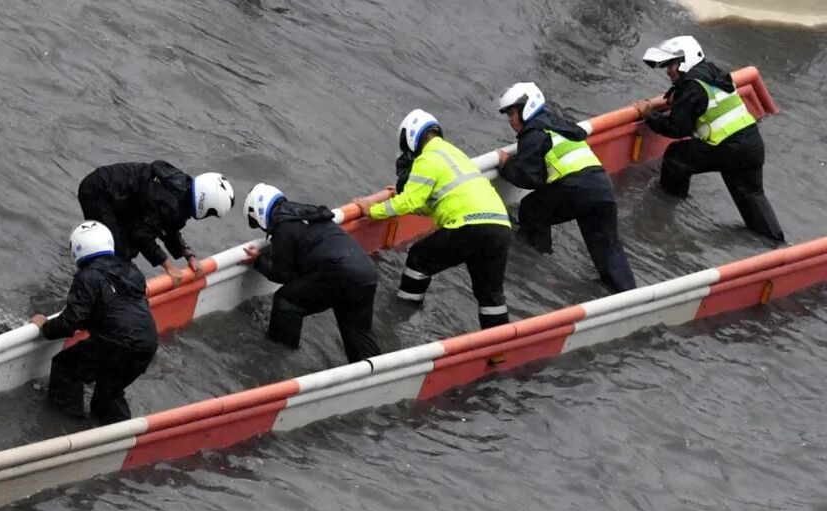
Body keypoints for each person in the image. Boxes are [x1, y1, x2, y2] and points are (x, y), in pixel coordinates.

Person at [353, 109, 513, 329]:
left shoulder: (427, 158)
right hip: (499, 225)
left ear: (410, 137)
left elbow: (409, 202)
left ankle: (404, 312)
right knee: (490, 294)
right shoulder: (454, 153)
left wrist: (371, 210)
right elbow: (444, 199)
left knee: (420, 257)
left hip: (469, 225)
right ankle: (499, 349)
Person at [635, 35, 784, 242]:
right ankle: (776, 244)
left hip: (728, 148)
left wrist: (649, 115)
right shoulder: (713, 72)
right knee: (752, 196)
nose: (669, 71)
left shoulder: (692, 86)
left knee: (676, 157)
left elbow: (676, 128)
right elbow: (699, 99)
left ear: (685, 62)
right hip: (751, 144)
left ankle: (667, 206)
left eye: (671, 65)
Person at [496, 82, 637, 293]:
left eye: (512, 113)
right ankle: (626, 294)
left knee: (532, 209)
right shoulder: (558, 124)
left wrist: (507, 165)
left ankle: (536, 262)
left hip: (577, 187)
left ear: (526, 109)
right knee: (608, 247)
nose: (510, 120)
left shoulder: (534, 133)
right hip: (602, 187)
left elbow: (530, 178)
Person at [30, 221, 158, 425]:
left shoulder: (87, 276)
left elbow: (70, 323)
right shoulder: (131, 271)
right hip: (147, 343)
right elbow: (117, 308)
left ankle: (63, 425)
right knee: (109, 394)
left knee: (66, 367)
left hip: (116, 342)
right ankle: (120, 437)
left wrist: (44, 326)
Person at [242, 183, 381, 363]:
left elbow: (282, 274)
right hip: (365, 271)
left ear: (259, 212)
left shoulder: (283, 226)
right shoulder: (310, 214)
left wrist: (258, 260)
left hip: (339, 273)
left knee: (286, 301)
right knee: (358, 332)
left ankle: (279, 358)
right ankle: (375, 374)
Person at [77, 161, 236, 285]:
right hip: (99, 193)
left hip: (116, 196)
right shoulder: (170, 202)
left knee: (127, 250)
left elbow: (169, 229)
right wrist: (168, 266)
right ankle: (90, 289)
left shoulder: (182, 190)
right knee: (117, 255)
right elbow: (141, 236)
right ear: (206, 203)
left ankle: (102, 282)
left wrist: (188, 255)